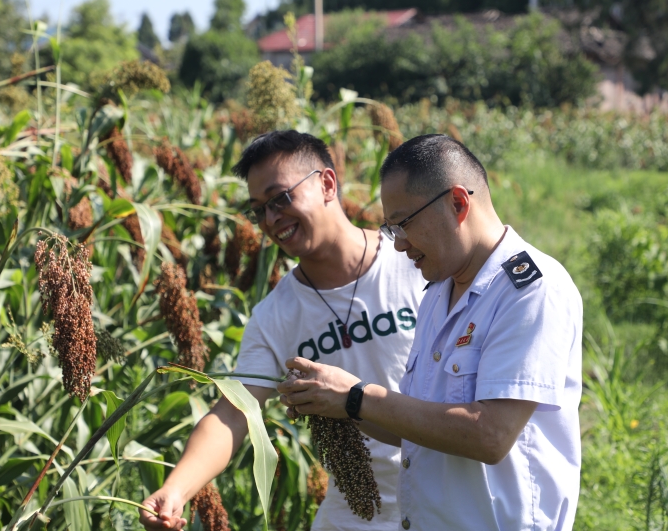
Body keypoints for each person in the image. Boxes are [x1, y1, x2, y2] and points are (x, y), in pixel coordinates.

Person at [277, 134, 583, 530]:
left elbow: (490, 435)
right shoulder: (439, 291)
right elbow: (420, 425)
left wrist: (356, 395)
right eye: (390, 230)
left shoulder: (530, 290)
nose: (399, 245)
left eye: (403, 225)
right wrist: (334, 403)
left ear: (458, 203)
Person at [139, 130, 426, 530]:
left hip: (444, 499)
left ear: (327, 184)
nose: (271, 219)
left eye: (281, 198)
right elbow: (234, 413)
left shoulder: (415, 264)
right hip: (356, 516)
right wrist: (177, 489)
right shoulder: (274, 315)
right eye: (259, 209)